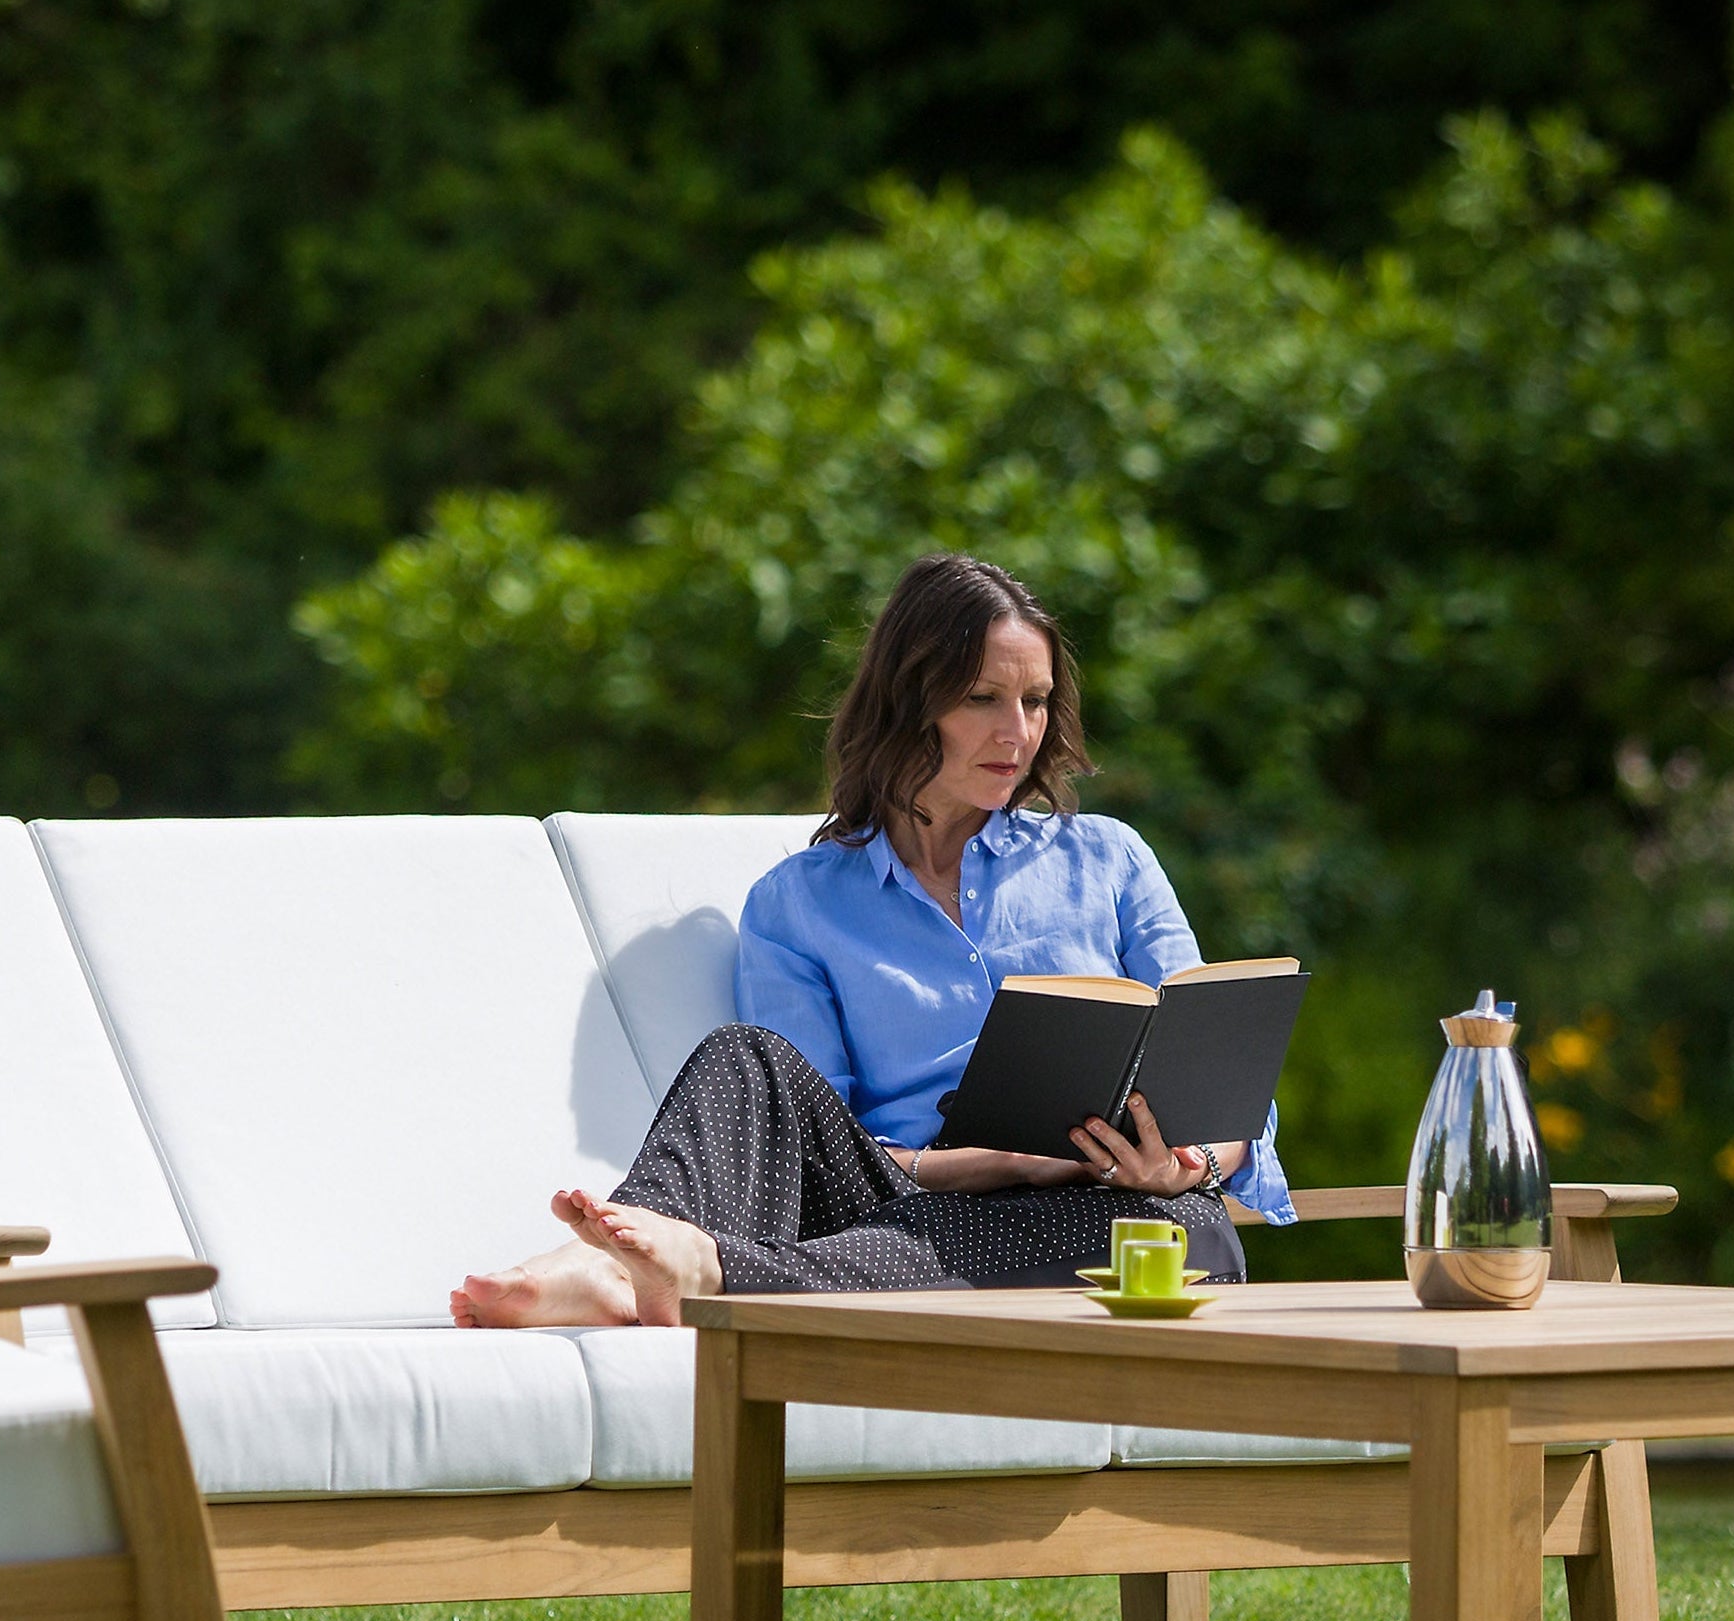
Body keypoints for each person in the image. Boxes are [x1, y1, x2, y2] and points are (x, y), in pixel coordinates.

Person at [453, 551, 1293, 1329]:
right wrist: (1001, 1162)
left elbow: (1226, 1085)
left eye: (1034, 701)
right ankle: (604, 1252)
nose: (1017, 732)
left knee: (1076, 1225)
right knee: (746, 1059)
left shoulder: (1108, 858)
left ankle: (695, 1268)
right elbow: (823, 1141)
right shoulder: (800, 902)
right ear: (906, 703)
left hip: (1132, 1217)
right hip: (909, 1198)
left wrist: (1187, 1167)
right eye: (981, 700)